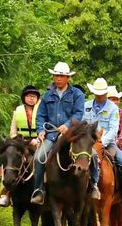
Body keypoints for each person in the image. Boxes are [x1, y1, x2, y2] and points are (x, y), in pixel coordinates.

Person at [30, 62, 85, 205]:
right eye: (56, 75)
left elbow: (78, 113)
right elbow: (40, 116)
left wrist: (67, 125)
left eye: (61, 76)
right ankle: (39, 190)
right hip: (51, 135)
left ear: (68, 78)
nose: (58, 78)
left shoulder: (77, 94)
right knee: (39, 158)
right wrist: (41, 130)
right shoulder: (47, 95)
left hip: (71, 136)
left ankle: (92, 187)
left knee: (89, 156)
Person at [83, 78, 122, 205]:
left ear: (106, 93)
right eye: (97, 93)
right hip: (88, 143)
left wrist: (101, 142)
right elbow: (82, 125)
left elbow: (114, 129)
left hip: (108, 143)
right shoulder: (86, 106)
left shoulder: (113, 108)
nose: (99, 96)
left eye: (102, 93)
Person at [0, 85, 41, 207]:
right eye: (29, 96)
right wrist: (20, 141)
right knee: (8, 161)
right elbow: (12, 132)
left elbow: (45, 127)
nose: (31, 99)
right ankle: (6, 193)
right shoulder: (17, 112)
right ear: (24, 98)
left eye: (34, 96)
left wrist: (36, 139)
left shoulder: (42, 110)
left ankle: (44, 189)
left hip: (38, 142)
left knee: (45, 160)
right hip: (21, 143)